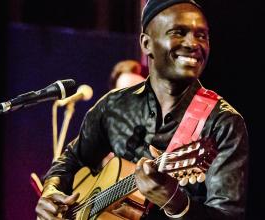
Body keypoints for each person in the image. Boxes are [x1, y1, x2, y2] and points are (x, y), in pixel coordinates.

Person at [35, 0, 249, 219]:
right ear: (147, 44)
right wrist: (51, 190)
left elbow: (228, 215)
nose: (193, 43)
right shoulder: (114, 106)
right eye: (179, 32)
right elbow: (71, 159)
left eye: (201, 35)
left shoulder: (222, 122)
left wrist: (176, 202)